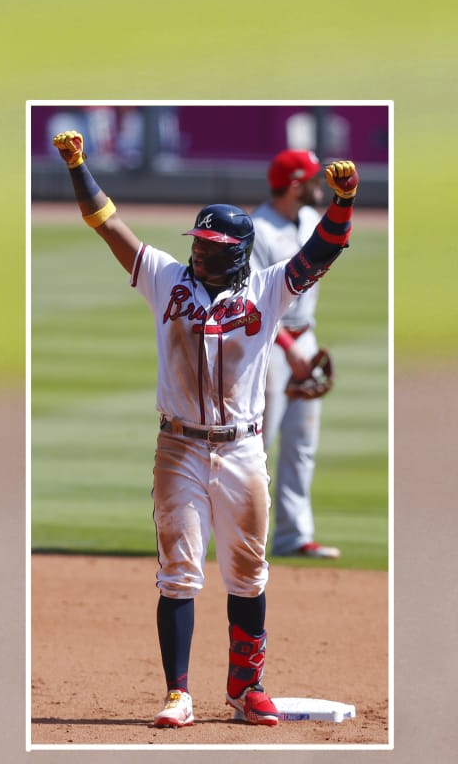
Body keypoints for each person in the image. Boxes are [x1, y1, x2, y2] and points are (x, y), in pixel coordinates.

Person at [50, 129, 360, 729]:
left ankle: (248, 690)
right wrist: (78, 167)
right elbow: (109, 228)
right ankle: (178, 694)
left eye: (213, 246)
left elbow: (322, 251)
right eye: (199, 242)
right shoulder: (165, 279)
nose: (200, 252)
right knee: (179, 572)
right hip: (180, 447)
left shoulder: (268, 292)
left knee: (247, 575)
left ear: (237, 252)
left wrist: (344, 200)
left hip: (243, 450)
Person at [253, 149, 341, 560]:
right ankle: (246, 535)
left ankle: (293, 536)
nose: (319, 186)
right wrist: (289, 352)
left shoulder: (309, 221)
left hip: (303, 337)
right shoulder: (258, 231)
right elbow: (252, 303)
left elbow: (336, 237)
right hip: (267, 345)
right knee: (258, 446)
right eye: (312, 179)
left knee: (301, 443)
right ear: (294, 185)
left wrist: (347, 200)